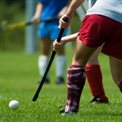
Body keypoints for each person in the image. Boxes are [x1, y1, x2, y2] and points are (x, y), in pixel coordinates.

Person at [53, 0, 122, 115]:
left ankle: (71, 109)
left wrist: (69, 12)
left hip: (99, 14)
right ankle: (98, 96)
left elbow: (100, 20)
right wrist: (64, 40)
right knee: (119, 78)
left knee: (78, 61)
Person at [32, 0, 69, 84]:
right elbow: (41, 3)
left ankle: (60, 77)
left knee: (59, 49)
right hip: (45, 22)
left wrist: (66, 10)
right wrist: (37, 15)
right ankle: (44, 77)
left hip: (59, 23)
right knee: (44, 50)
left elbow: (72, 2)